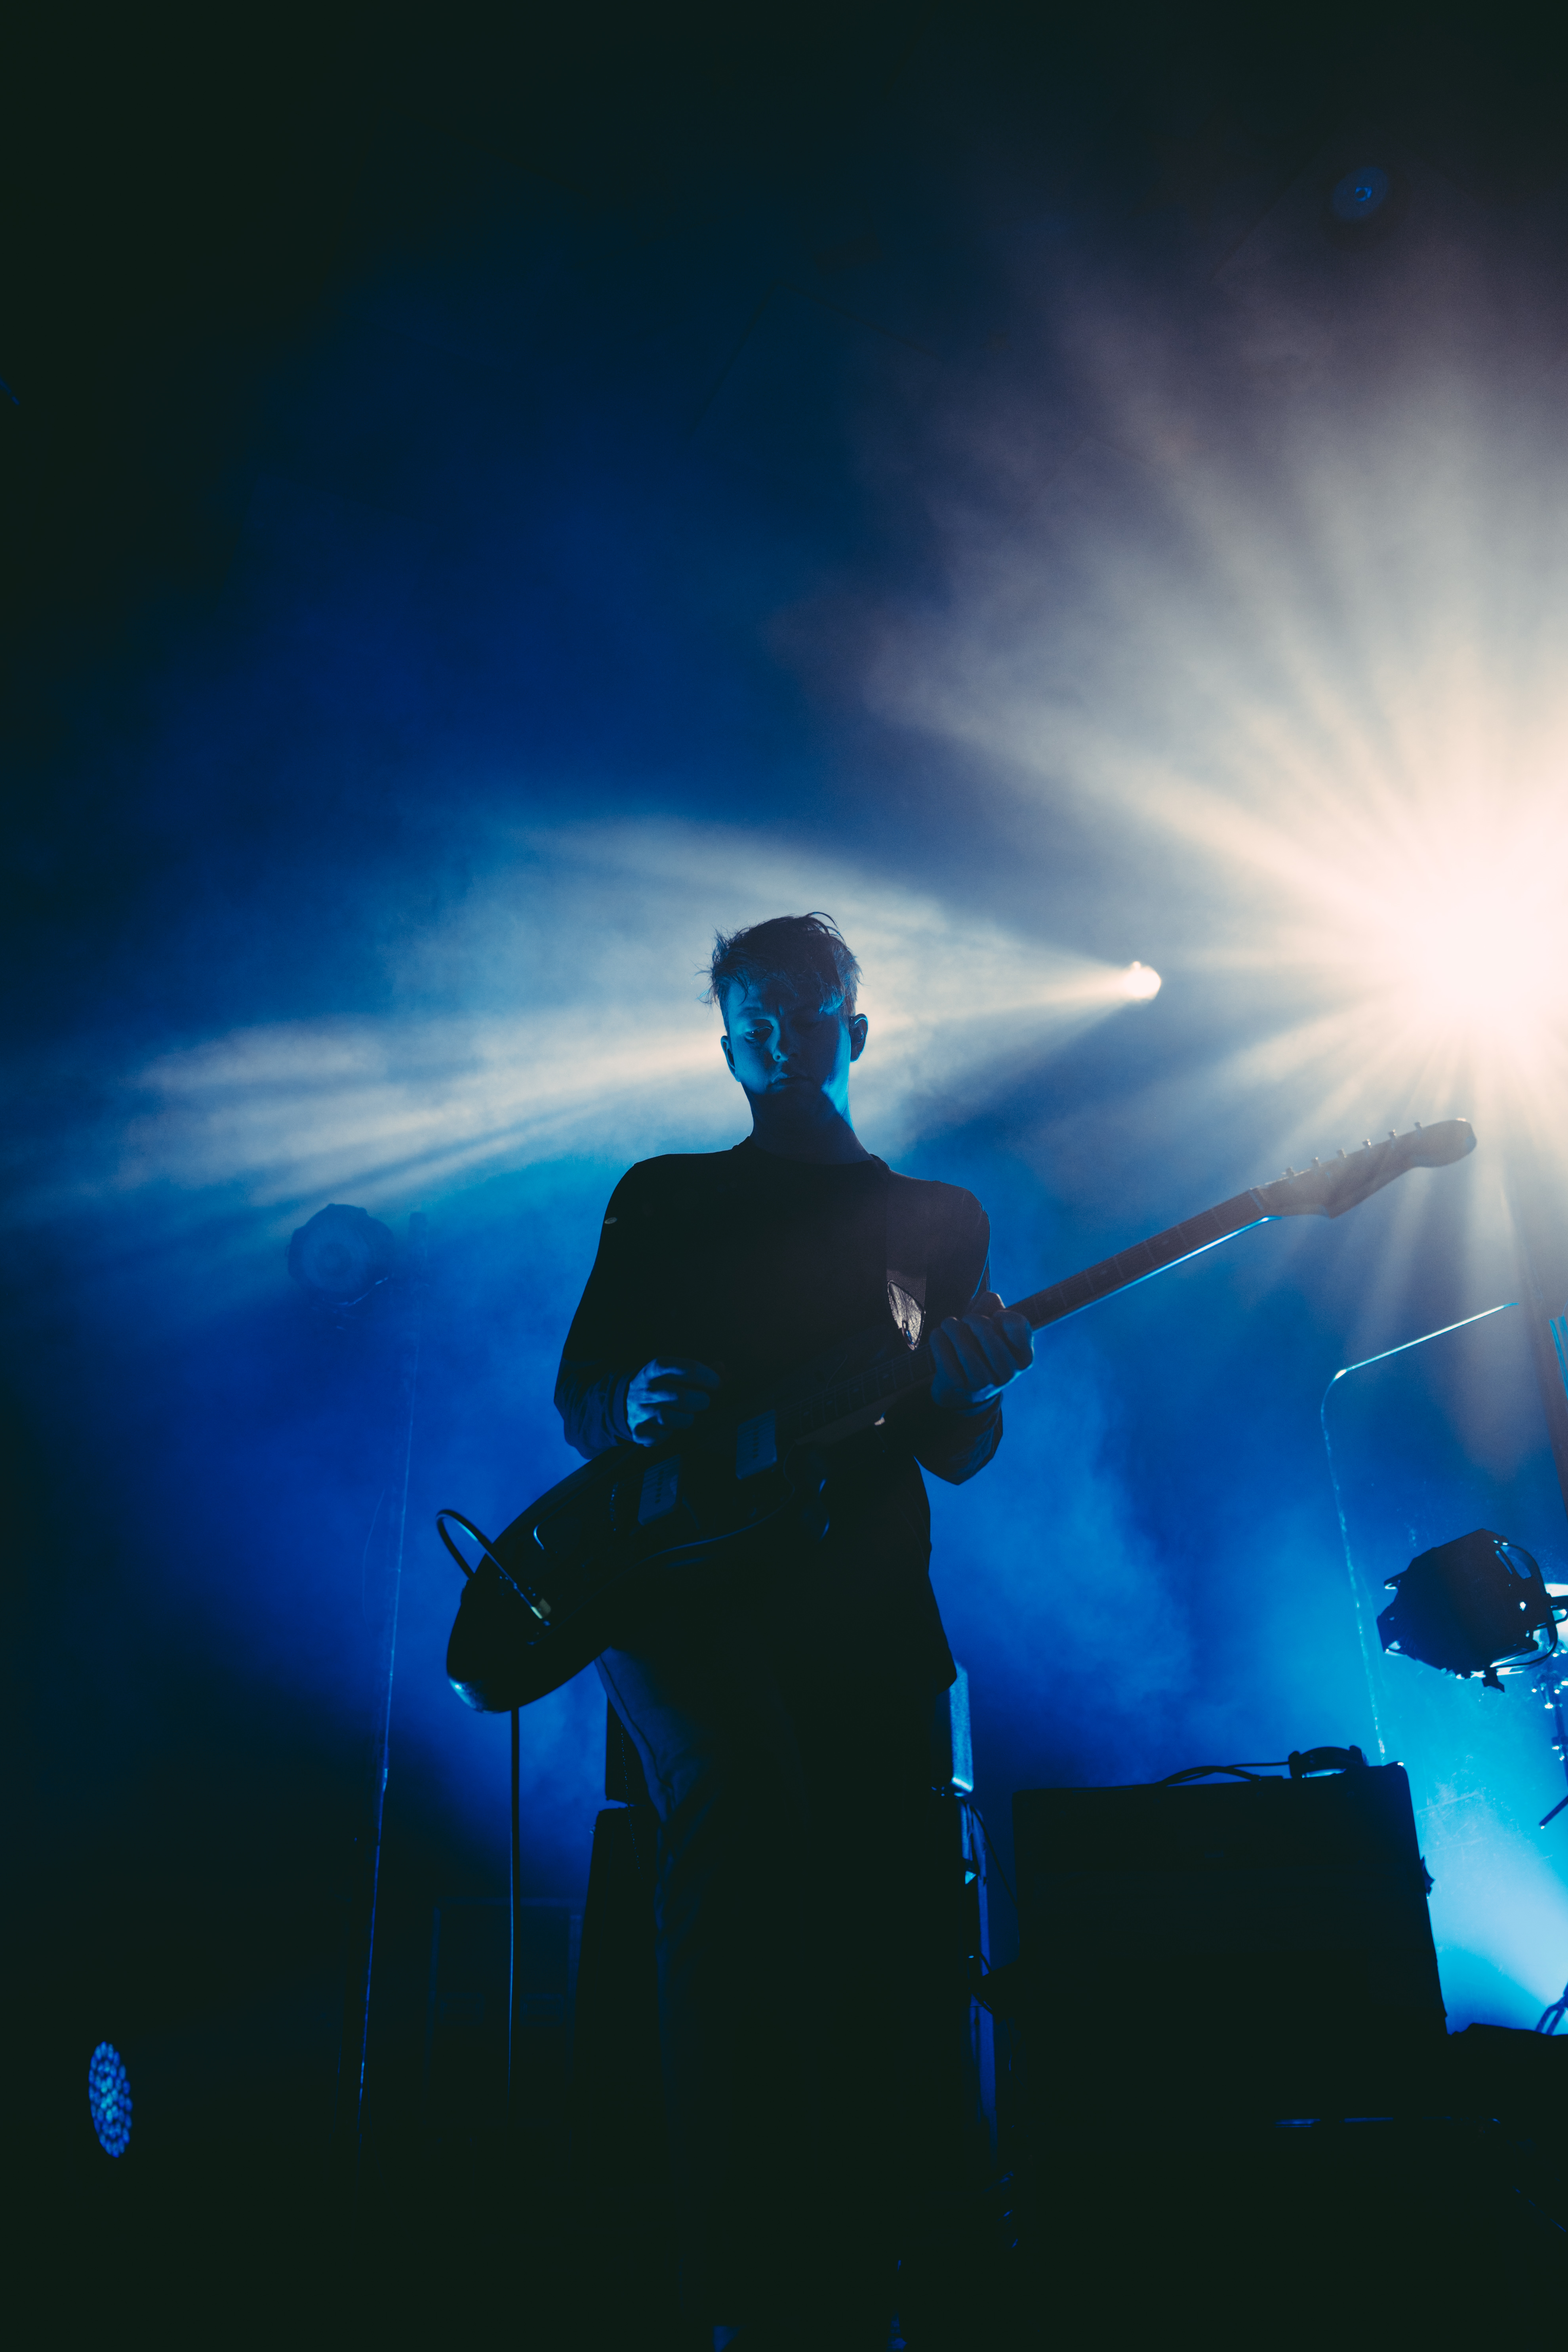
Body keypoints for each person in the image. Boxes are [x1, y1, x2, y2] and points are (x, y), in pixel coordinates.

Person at [558, 913, 1034, 2351]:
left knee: (888, 1939)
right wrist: (633, 1401)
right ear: (726, 1041)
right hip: (688, 1607)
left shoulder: (936, 1220)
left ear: (855, 1029)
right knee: (736, 1868)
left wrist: (970, 1382)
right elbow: (583, 1388)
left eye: (803, 1009)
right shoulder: (661, 1197)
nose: (775, 1034)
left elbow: (960, 1444)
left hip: (870, 1619)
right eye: (750, 1016)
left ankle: (880, 2281)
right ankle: (737, 2298)